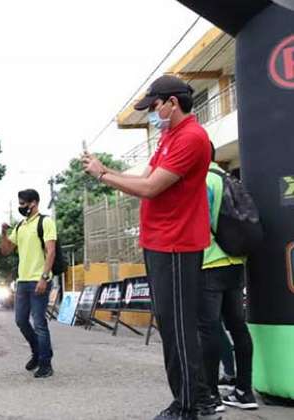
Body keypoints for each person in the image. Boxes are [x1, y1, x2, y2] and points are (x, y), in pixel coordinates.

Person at [83, 75, 215, 420]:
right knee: (171, 326)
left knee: (177, 330)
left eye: (154, 107)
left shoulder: (191, 138)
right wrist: (105, 170)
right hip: (160, 241)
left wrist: (101, 176)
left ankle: (188, 406)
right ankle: (198, 399)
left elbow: (151, 188)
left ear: (172, 102)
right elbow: (144, 178)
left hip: (176, 244)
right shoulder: (170, 136)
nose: (151, 114)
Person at [198, 148, 257, 411]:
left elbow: (198, 224)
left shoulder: (201, 181)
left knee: (208, 330)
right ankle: (245, 391)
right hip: (236, 262)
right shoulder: (228, 178)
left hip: (209, 262)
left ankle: (211, 395)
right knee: (238, 327)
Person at [0, 189, 56, 379]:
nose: (21, 207)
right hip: (22, 281)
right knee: (21, 321)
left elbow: (51, 251)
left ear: (34, 203)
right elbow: (6, 250)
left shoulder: (45, 222)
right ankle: (38, 352)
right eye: (20, 203)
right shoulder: (20, 226)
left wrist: (44, 277)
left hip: (39, 280)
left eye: (23, 203)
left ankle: (45, 364)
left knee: (39, 322)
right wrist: (4, 233)